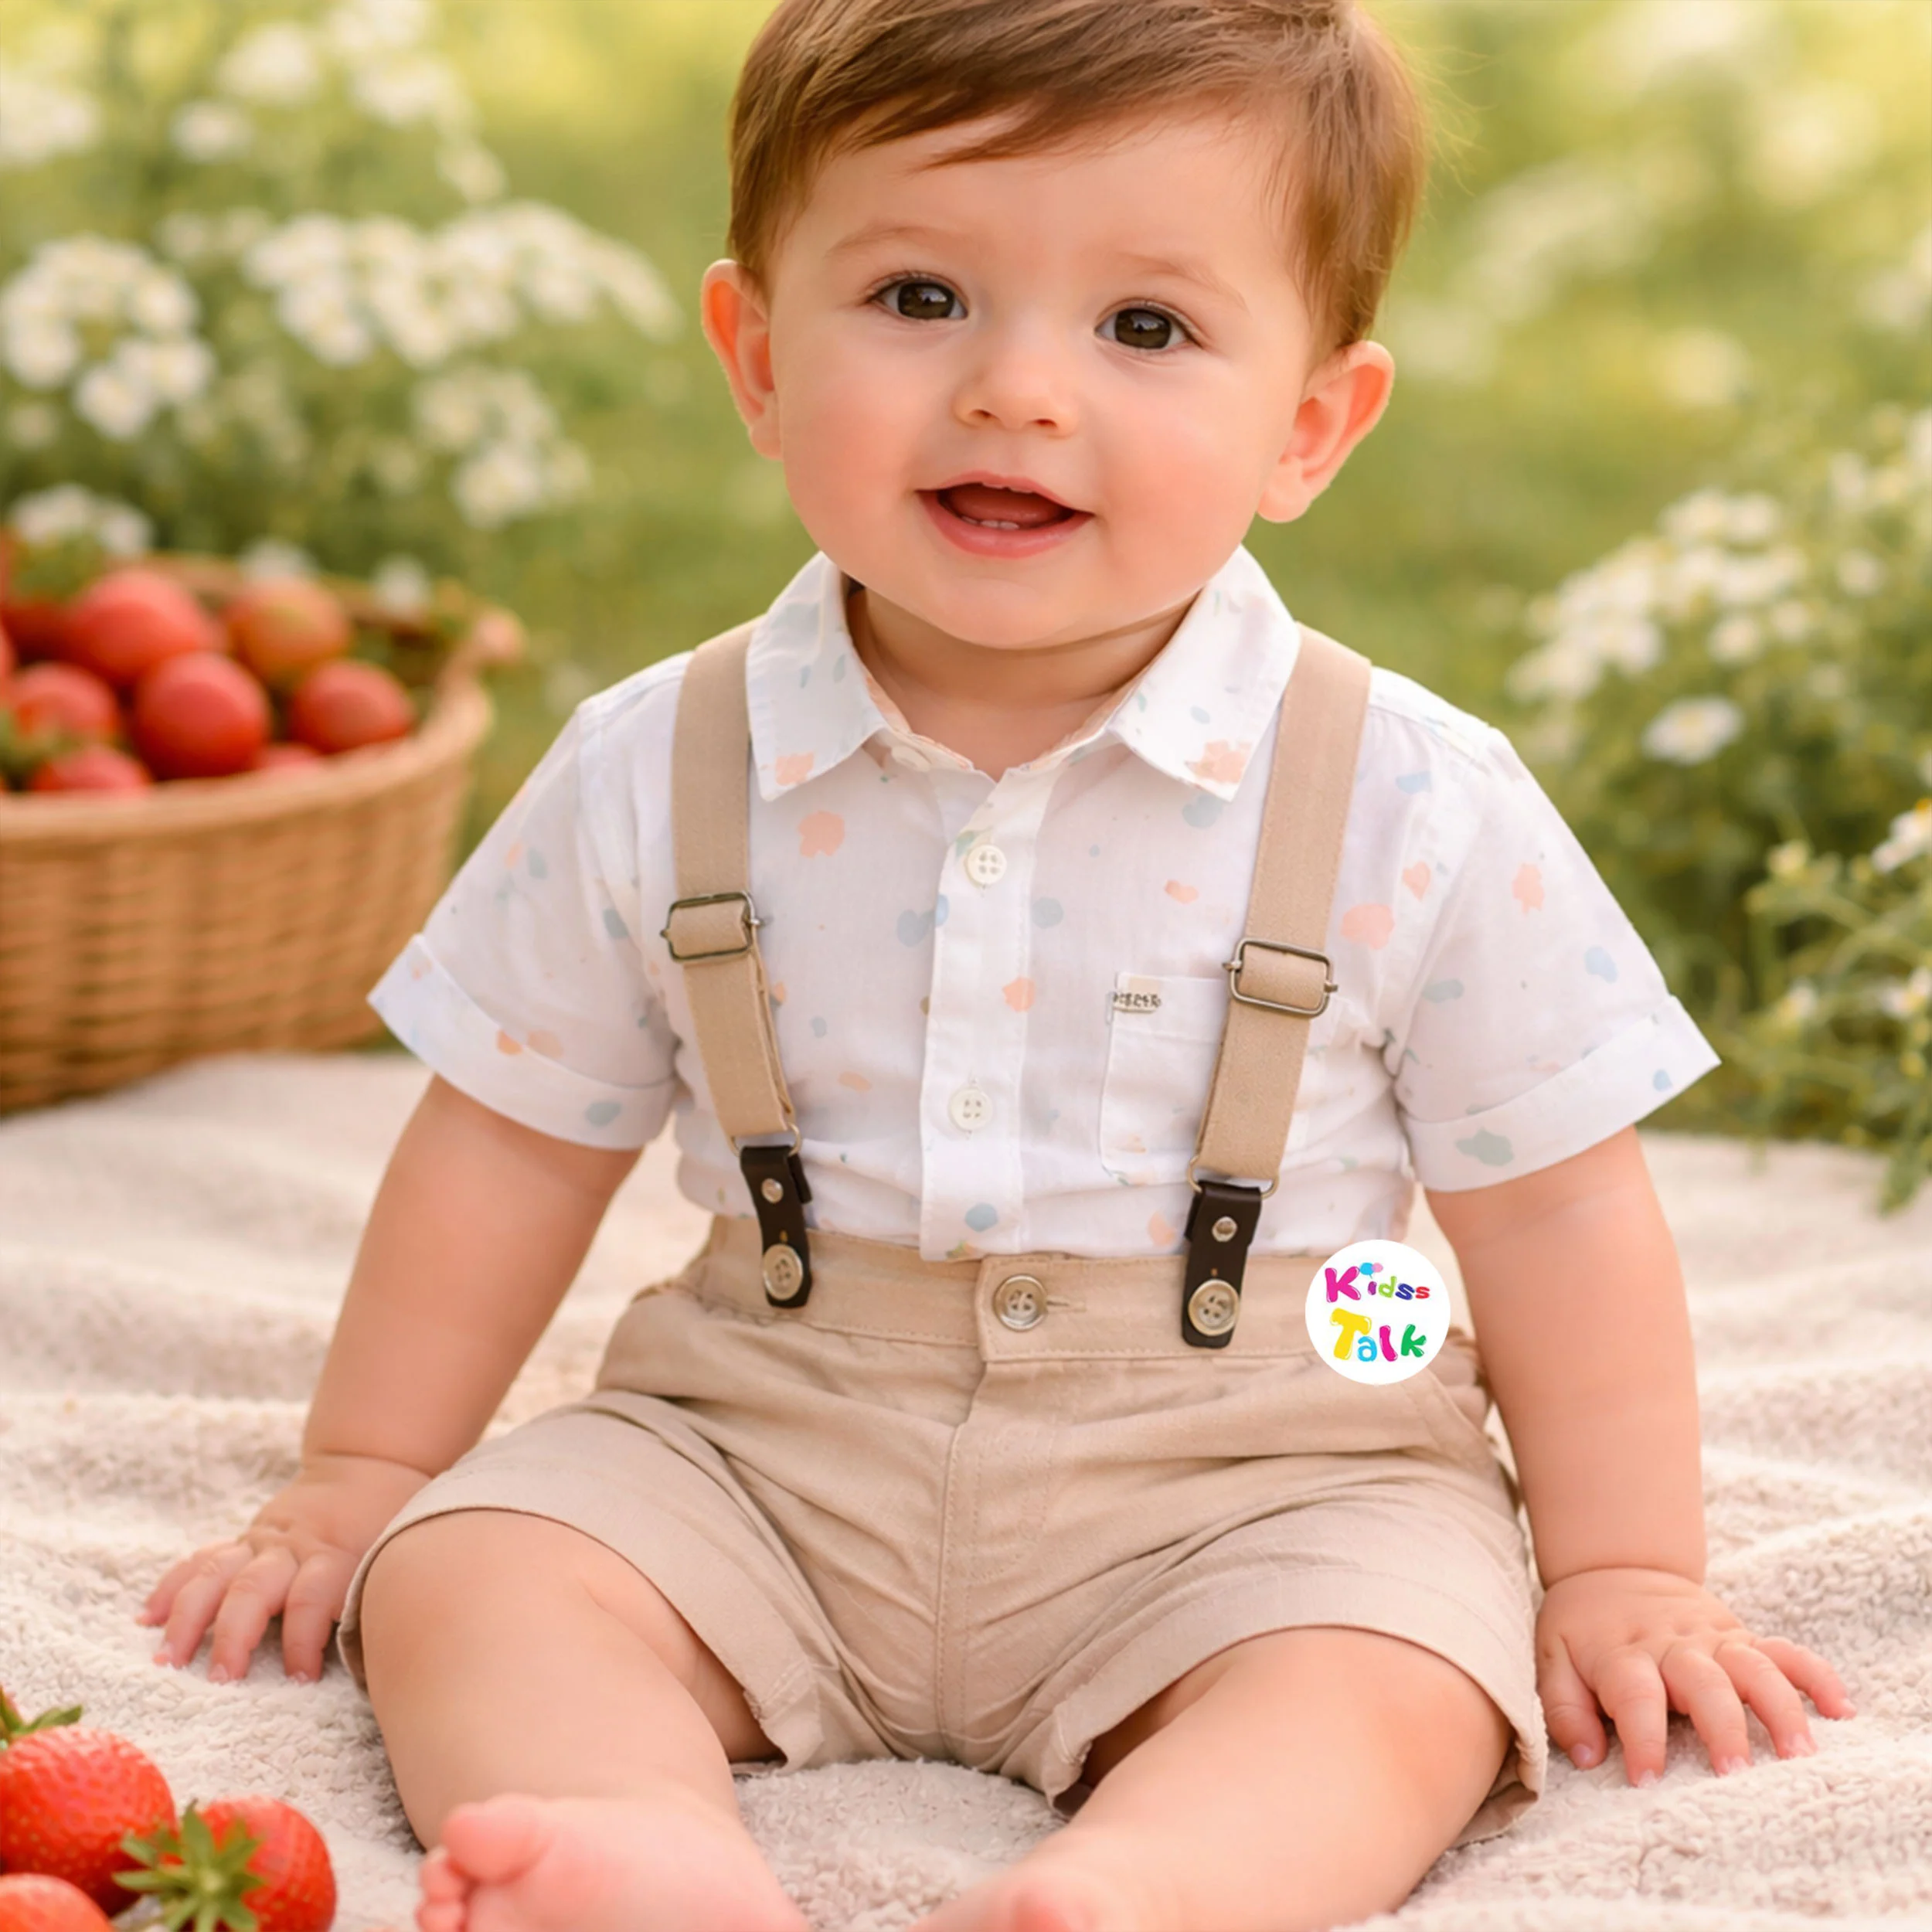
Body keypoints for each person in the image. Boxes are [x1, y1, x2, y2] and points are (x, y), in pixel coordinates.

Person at [139, 2, 1855, 1927]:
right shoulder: (660, 758)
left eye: (1143, 328)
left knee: (1390, 1675)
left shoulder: (1404, 795)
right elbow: (508, 1141)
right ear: (758, 356)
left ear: (1307, 425)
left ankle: (1134, 1889)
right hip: (769, 1428)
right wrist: (367, 1465)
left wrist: (1622, 1565)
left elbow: (1550, 1216)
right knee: (473, 1574)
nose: (1016, 392)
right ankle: (648, 1855)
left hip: (1268, 1455)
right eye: (920, 294)